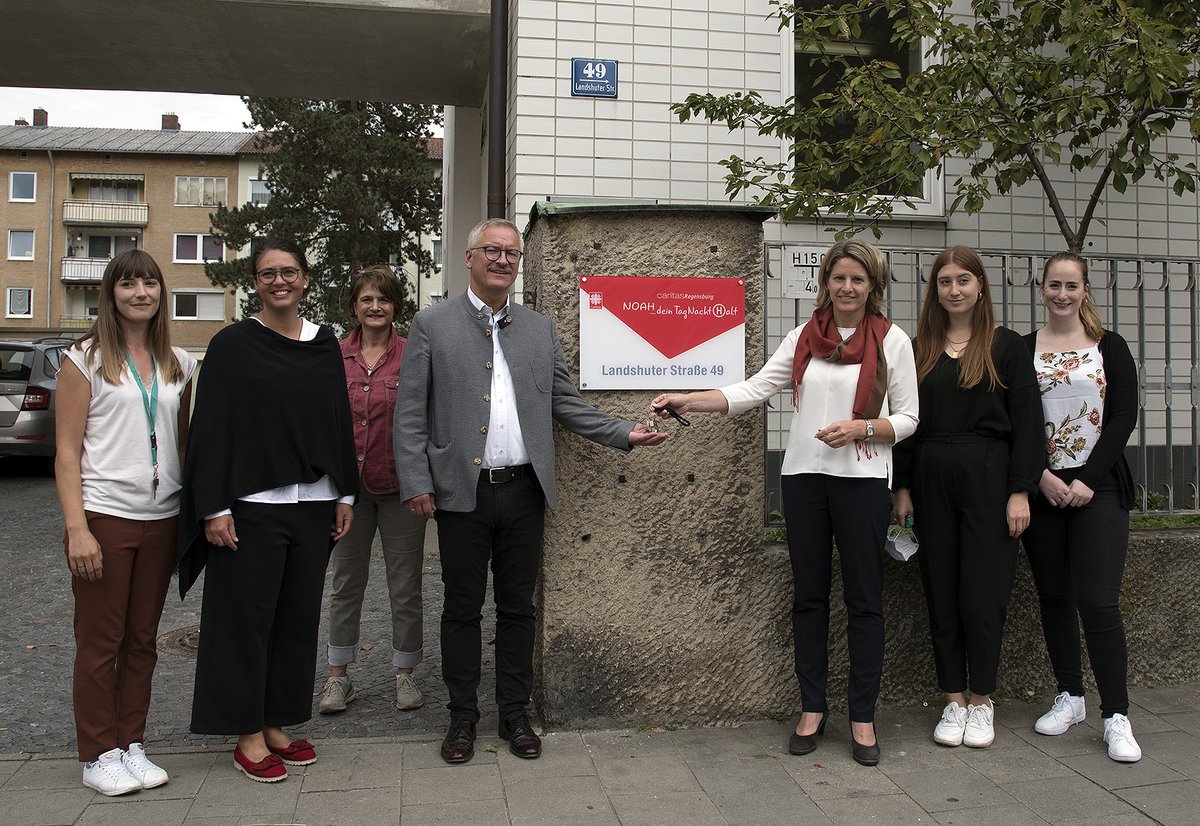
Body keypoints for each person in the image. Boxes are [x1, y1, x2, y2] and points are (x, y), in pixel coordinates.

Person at [394, 218, 668, 765]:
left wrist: (622, 433)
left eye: (512, 254)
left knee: (519, 608)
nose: (502, 261)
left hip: (523, 490)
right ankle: (462, 718)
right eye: (492, 251)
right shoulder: (432, 324)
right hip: (461, 494)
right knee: (462, 609)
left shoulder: (539, 330)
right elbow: (410, 414)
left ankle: (514, 713)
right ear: (469, 258)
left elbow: (562, 402)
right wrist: (417, 482)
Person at [653, 239, 918, 766]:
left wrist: (862, 427)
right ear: (826, 282)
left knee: (865, 601)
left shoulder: (893, 341)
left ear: (873, 287)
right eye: (839, 278)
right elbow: (755, 389)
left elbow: (909, 418)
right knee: (809, 598)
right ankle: (812, 708)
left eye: (858, 280)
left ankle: (862, 716)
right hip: (804, 480)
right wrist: (689, 398)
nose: (847, 288)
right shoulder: (803, 337)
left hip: (863, 480)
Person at [177, 238, 358, 783]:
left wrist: (344, 493)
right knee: (245, 621)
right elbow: (210, 429)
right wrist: (212, 506)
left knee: (296, 618)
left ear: (305, 279)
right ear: (255, 282)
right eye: (267, 274)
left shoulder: (324, 343)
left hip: (312, 503)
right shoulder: (233, 345)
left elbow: (336, 419)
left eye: (289, 272)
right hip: (249, 507)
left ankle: (277, 720)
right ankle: (247, 732)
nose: (279, 281)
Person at [55, 250, 197, 795]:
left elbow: (183, 444)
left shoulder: (178, 362)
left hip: (161, 518)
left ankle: (130, 743)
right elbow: (67, 454)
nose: (141, 293)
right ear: (111, 293)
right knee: (100, 641)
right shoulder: (83, 359)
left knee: (142, 640)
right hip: (105, 517)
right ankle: (97, 753)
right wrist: (77, 527)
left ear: (162, 293)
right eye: (129, 284)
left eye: (150, 283)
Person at [892, 246, 1042, 749]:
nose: (954, 290)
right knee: (942, 588)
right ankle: (952, 699)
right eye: (944, 282)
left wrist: (1020, 490)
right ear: (934, 290)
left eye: (963, 280)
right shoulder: (920, 348)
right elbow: (906, 425)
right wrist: (904, 486)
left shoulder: (1007, 347)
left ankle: (982, 700)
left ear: (980, 285)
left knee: (984, 593)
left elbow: (1027, 425)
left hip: (989, 475)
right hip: (932, 472)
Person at [1021, 252, 1141, 762]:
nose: (1062, 294)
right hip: (1043, 488)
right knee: (1053, 594)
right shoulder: (1023, 350)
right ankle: (1070, 696)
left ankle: (1117, 715)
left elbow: (1122, 418)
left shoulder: (1109, 347)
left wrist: (1088, 479)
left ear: (1085, 289)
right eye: (1054, 285)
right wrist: (1041, 477)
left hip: (1099, 488)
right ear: (1042, 289)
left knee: (1098, 600)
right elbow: (1018, 422)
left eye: (1072, 285)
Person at [319, 265, 428, 714]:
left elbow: (425, 416)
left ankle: (405, 674)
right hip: (348, 493)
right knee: (345, 583)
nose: (375, 306)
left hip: (401, 487)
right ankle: (338, 678)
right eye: (367, 299)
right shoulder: (332, 356)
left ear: (395, 306)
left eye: (383, 299)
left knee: (406, 585)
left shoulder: (413, 354)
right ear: (354, 306)